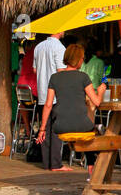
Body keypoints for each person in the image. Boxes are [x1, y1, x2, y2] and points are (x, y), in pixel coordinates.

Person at [36, 43, 105, 170]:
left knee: (55, 119)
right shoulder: (83, 77)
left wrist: (42, 129)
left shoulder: (55, 77)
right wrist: (101, 91)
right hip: (81, 125)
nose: (83, 60)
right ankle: (91, 166)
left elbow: (48, 104)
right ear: (79, 60)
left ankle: (53, 164)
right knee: (91, 130)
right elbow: (97, 102)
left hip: (60, 126)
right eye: (82, 58)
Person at [33, 31, 66, 170]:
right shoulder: (60, 48)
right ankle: (56, 163)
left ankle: (46, 163)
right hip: (56, 93)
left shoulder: (38, 47)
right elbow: (61, 70)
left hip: (42, 91)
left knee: (45, 127)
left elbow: (35, 70)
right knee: (56, 129)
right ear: (59, 30)